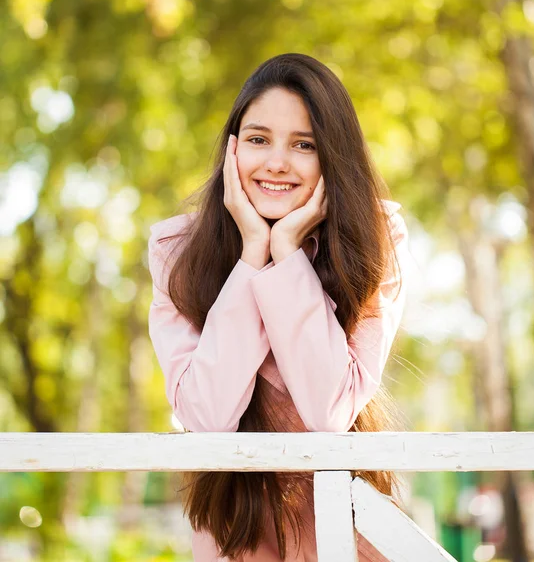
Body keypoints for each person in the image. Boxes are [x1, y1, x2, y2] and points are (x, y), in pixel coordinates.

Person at [147, 53, 412, 561]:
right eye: (258, 139)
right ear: (232, 149)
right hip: (238, 522)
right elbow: (206, 417)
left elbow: (330, 409)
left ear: (332, 158)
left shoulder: (379, 240)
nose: (276, 162)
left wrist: (287, 252)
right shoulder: (176, 254)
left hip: (352, 518)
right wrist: (252, 256)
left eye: (304, 145)